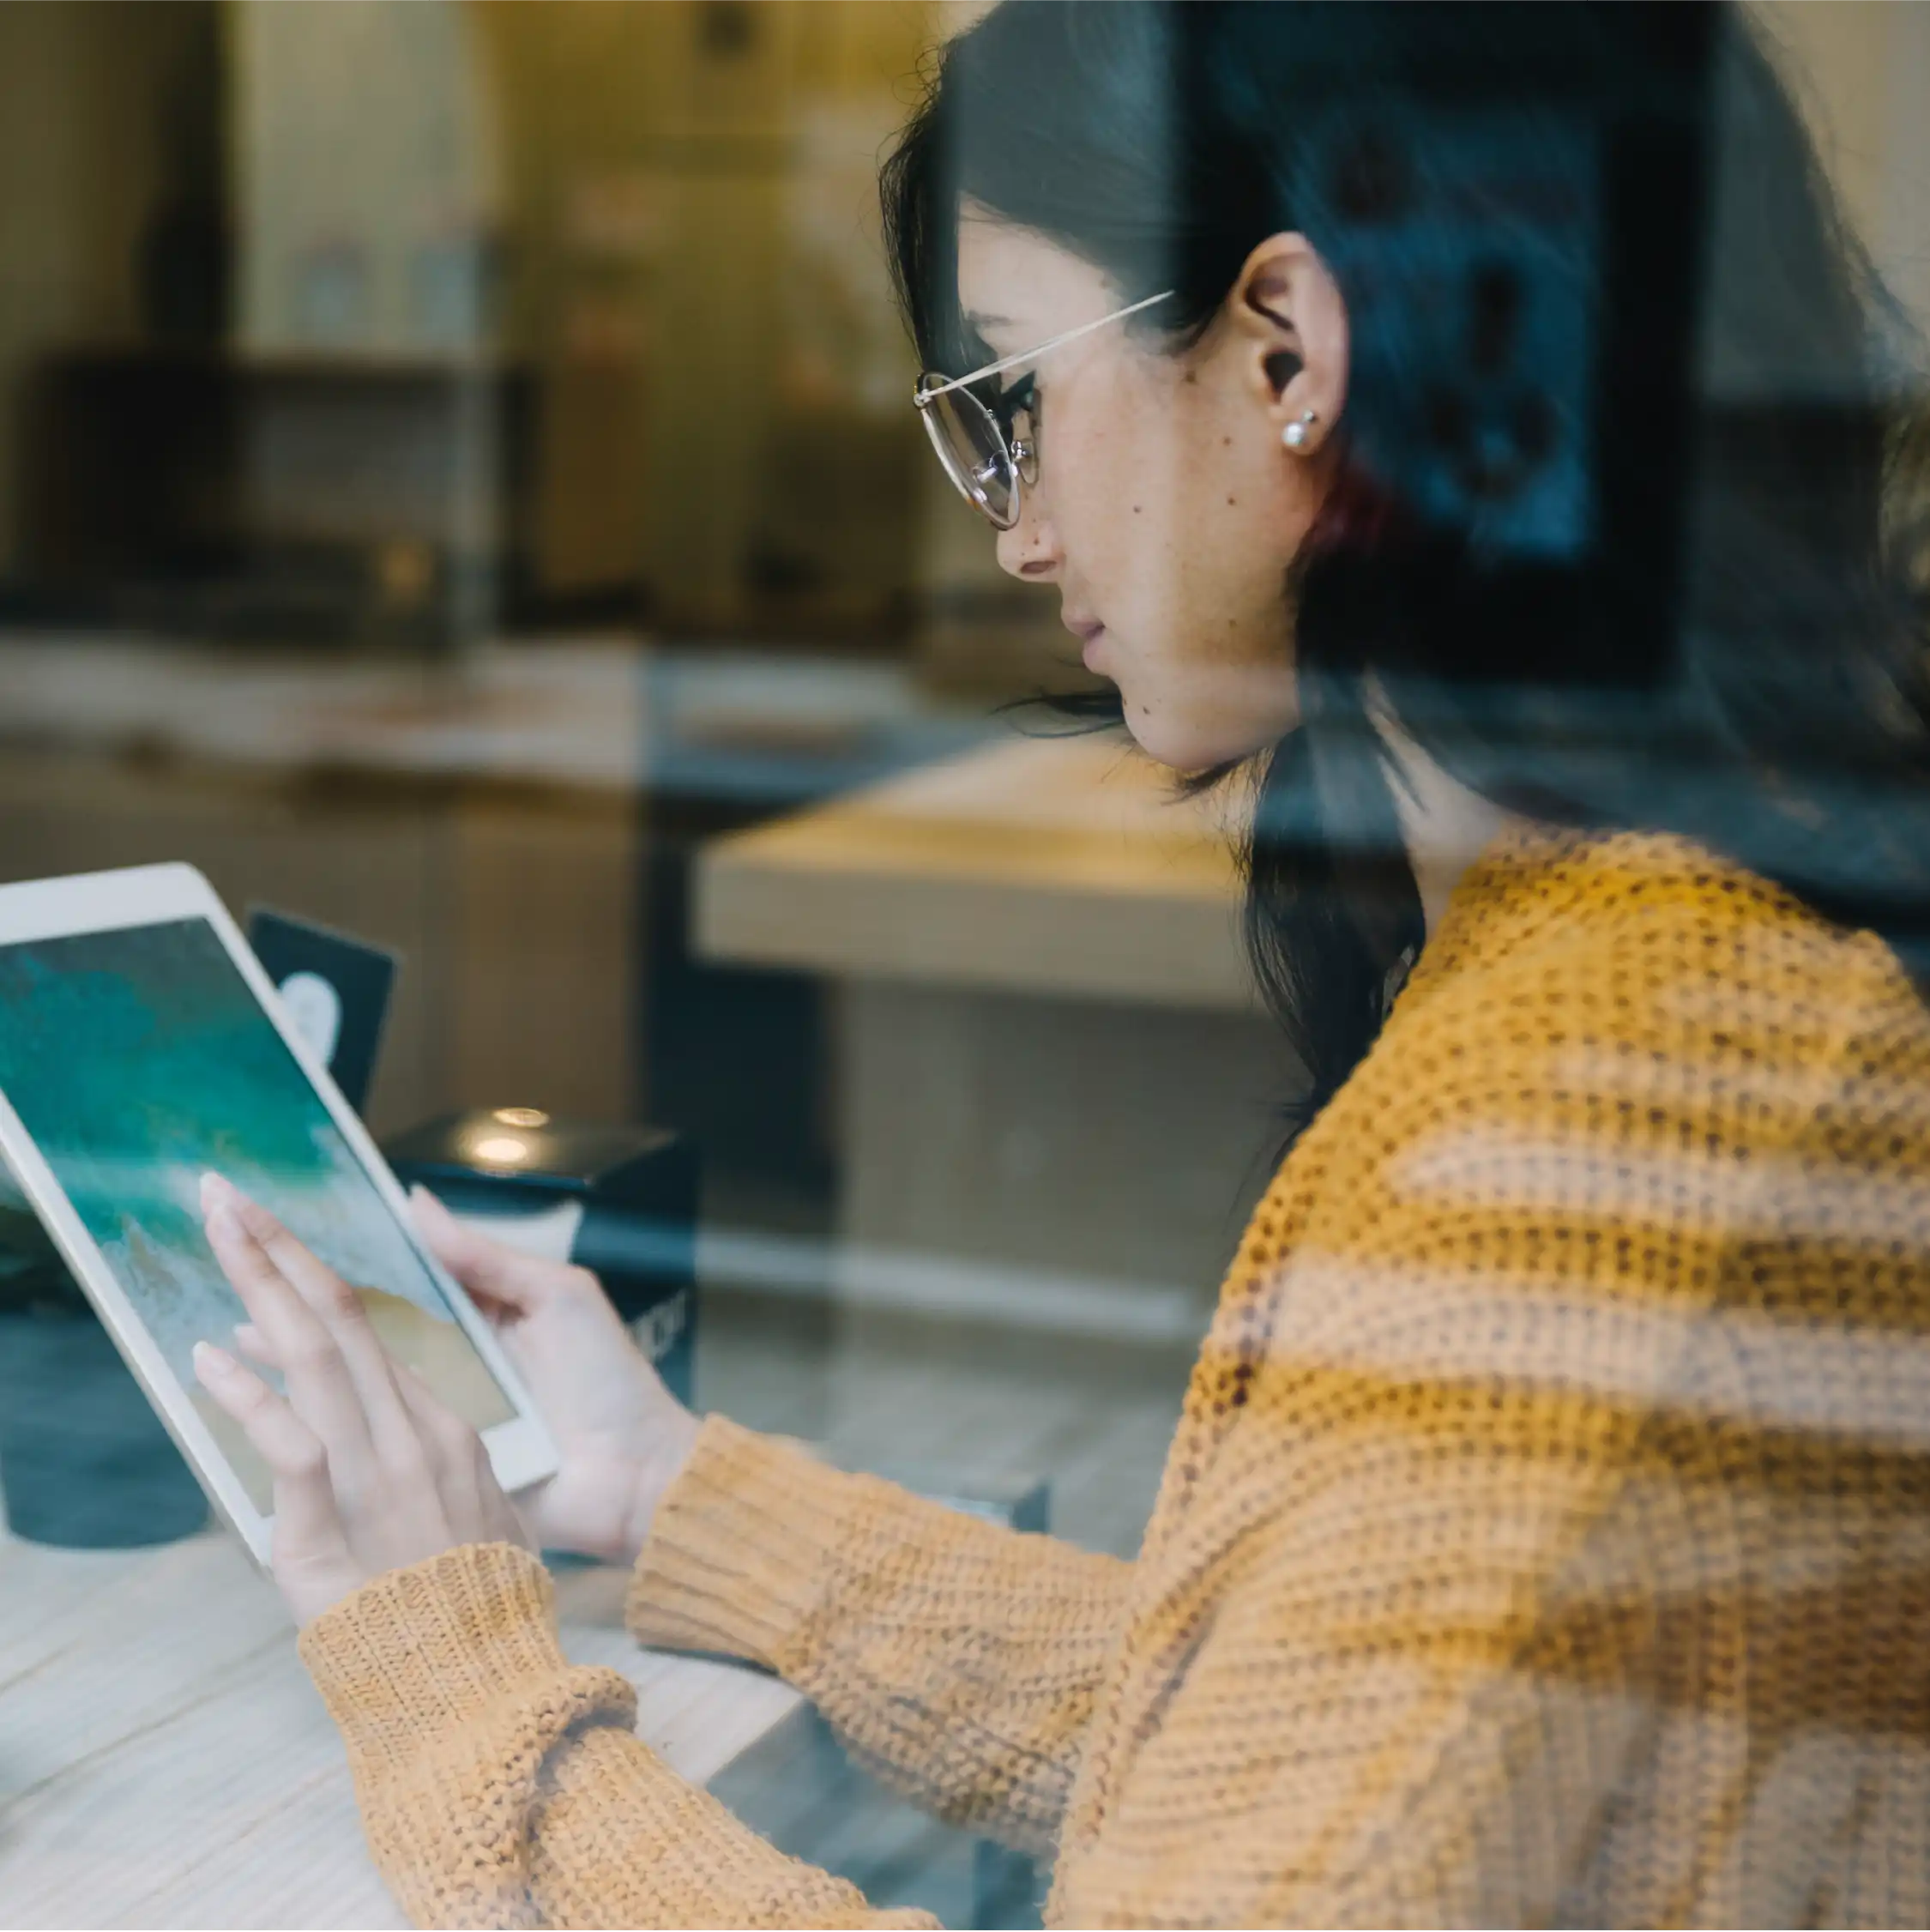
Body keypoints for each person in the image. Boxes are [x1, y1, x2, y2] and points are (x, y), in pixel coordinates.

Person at [190, 0, 1930, 1925]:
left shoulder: (1591, 1133)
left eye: (1015, 397)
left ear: (1285, 353)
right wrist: (675, 1489)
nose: (1018, 537)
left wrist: (456, 1691)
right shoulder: (1672, 987)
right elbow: (1314, 1743)